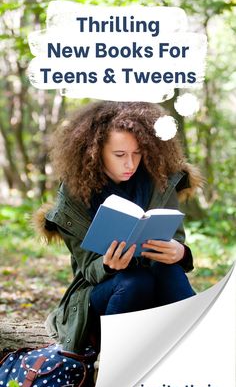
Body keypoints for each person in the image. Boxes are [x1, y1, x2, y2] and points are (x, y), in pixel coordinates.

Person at [34, 101, 202, 353]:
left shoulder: (160, 179)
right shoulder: (74, 195)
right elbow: (87, 271)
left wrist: (181, 253)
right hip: (106, 293)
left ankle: (199, 348)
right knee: (135, 281)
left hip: (158, 283)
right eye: (120, 155)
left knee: (169, 271)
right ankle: (112, 364)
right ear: (95, 151)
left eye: (137, 153)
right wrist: (107, 264)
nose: (130, 164)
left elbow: (174, 239)